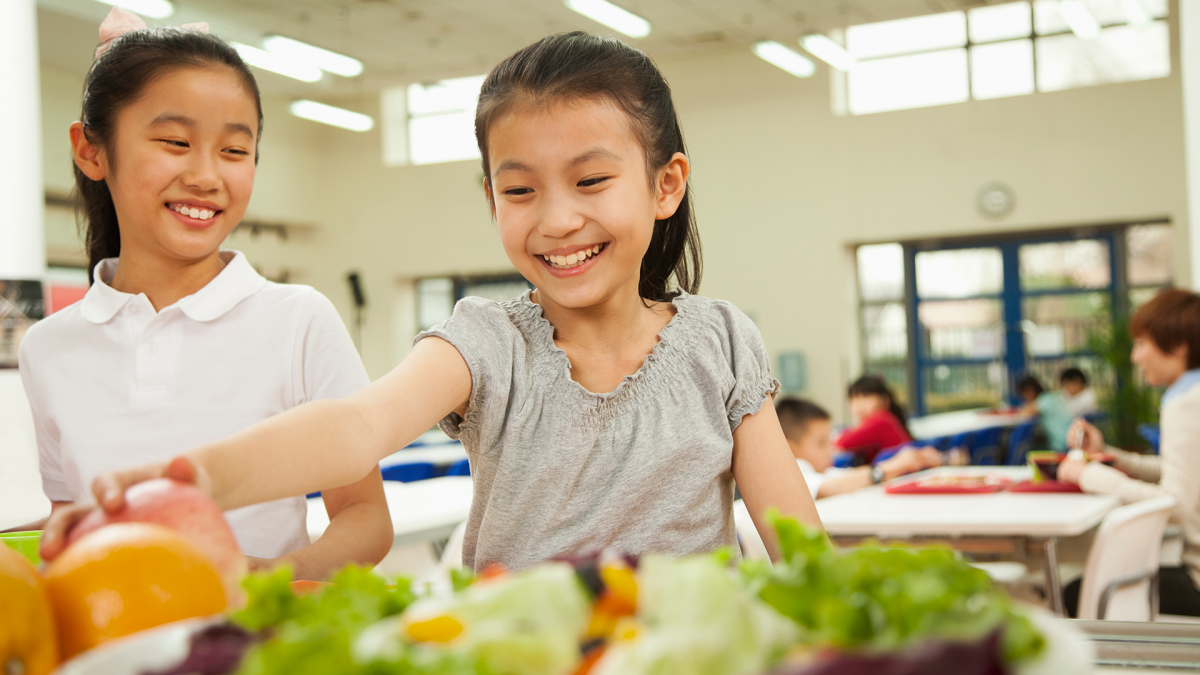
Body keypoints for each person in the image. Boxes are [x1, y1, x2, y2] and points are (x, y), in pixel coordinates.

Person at [41, 31, 821, 571]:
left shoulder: (719, 340)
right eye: (519, 189)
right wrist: (191, 477)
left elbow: (797, 545)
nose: (557, 219)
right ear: (491, 199)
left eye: (591, 181)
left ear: (664, 184)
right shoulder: (484, 342)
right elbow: (354, 427)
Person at [20, 8, 392, 580]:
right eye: (175, 141)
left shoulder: (298, 320)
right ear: (92, 150)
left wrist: (274, 577)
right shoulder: (47, 347)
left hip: (252, 654)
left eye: (235, 151)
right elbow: (69, 520)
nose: (206, 175)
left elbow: (364, 515)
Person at [1058, 288, 1200, 617]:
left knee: (1076, 592)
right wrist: (1109, 455)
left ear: (1178, 346)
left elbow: (1176, 504)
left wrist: (1089, 475)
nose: (1135, 357)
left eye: (1141, 344)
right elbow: (1183, 471)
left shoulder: (1185, 402)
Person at [776, 397, 941, 499]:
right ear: (789, 448)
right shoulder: (793, 471)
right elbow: (825, 489)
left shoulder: (823, 472)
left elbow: (852, 477)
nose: (829, 450)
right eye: (821, 443)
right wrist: (891, 466)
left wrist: (907, 461)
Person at [832, 376, 913, 463]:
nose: (858, 403)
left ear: (883, 400)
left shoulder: (881, 420)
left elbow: (843, 442)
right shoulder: (884, 418)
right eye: (853, 398)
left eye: (865, 397)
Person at [1016, 374, 1072, 451]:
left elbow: (1025, 412)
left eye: (1024, 395)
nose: (1024, 399)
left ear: (1030, 391)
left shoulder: (1045, 400)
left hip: (1061, 446)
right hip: (1065, 443)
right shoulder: (1051, 397)